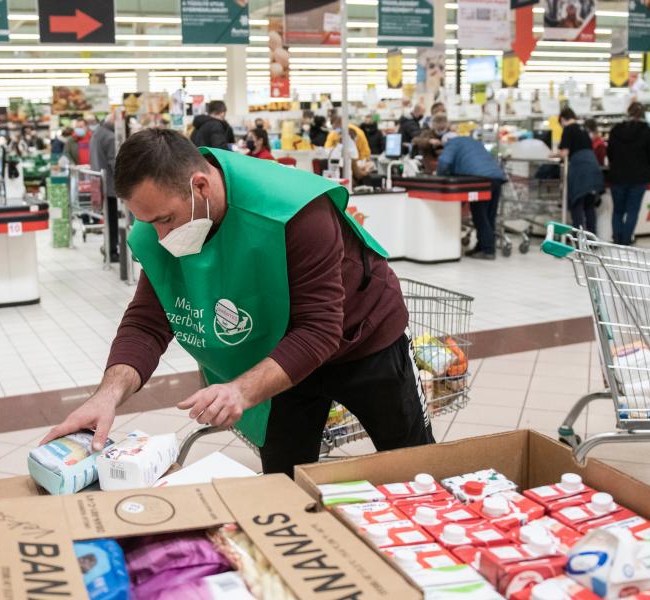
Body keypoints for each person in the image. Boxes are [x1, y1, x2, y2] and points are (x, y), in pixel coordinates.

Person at [41, 129, 434, 477]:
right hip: (277, 354)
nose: (160, 235)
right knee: (284, 479)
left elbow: (318, 328)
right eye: (150, 223)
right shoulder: (167, 222)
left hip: (363, 338)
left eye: (165, 219)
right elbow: (147, 321)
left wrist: (239, 391)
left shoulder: (294, 210)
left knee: (410, 462)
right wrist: (105, 397)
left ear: (200, 187)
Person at [433, 117, 505, 260]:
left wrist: (440, 177)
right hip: (496, 177)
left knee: (480, 215)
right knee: (489, 215)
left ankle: (488, 250)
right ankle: (482, 246)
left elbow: (444, 161)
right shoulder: (473, 141)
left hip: (480, 180)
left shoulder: (452, 143)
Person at [606, 102, 650, 245]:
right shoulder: (648, 133)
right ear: (643, 115)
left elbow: (610, 154)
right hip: (639, 177)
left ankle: (617, 238)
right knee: (632, 210)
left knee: (618, 210)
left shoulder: (615, 130)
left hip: (617, 176)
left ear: (628, 113)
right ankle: (626, 239)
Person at [556, 108, 604, 232]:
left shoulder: (568, 129)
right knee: (589, 205)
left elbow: (564, 153)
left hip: (580, 171)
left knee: (576, 204)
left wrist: (553, 155)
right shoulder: (583, 130)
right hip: (593, 170)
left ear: (562, 119)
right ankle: (592, 240)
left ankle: (579, 239)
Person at [90, 113, 120, 262]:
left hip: (98, 183)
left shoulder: (97, 133)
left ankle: (107, 247)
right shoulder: (110, 137)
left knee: (108, 219)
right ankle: (112, 251)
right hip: (110, 186)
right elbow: (114, 163)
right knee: (113, 220)